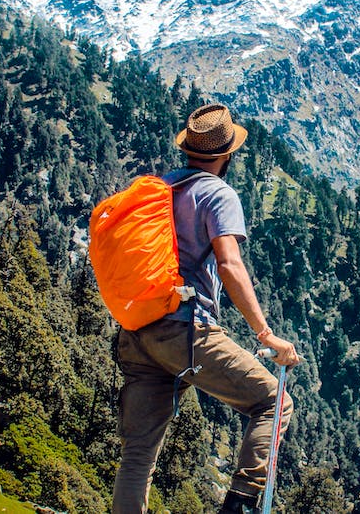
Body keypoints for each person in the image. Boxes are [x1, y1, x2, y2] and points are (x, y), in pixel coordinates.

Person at [112, 103, 300, 514]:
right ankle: (240, 504)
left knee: (138, 456)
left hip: (137, 330)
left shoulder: (161, 188)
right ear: (227, 155)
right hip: (185, 331)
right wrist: (266, 334)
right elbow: (230, 264)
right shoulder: (217, 193)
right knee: (273, 402)